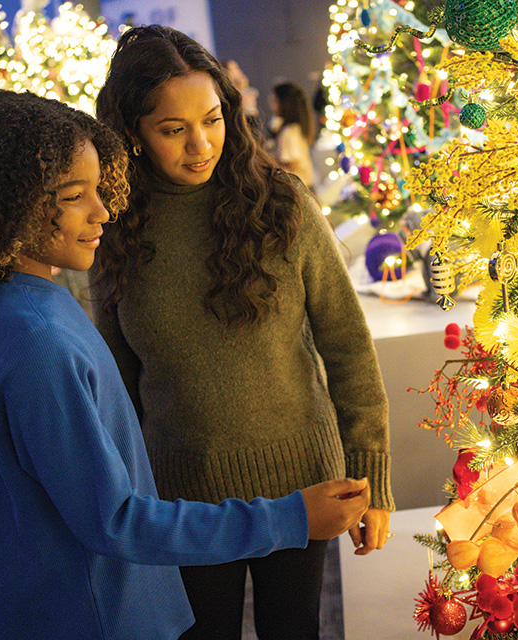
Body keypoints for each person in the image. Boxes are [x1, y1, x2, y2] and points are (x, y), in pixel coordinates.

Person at [0, 89, 371, 640]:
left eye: (97, 190)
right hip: (97, 611)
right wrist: (291, 518)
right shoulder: (39, 343)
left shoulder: (4, 299)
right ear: (5, 204)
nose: (102, 212)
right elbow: (115, 519)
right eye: (72, 197)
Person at [93, 25, 394, 640]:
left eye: (212, 119)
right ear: (133, 135)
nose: (200, 144)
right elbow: (117, 379)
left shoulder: (281, 204)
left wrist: (372, 477)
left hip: (302, 483)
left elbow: (347, 345)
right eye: (173, 130)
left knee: (293, 632)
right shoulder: (115, 229)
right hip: (184, 498)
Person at [268, 80, 317, 189]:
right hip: (304, 186)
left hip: (299, 188)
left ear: (285, 103)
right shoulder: (295, 128)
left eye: (274, 102)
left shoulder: (289, 131)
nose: (272, 107)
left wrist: (266, 159)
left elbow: (291, 162)